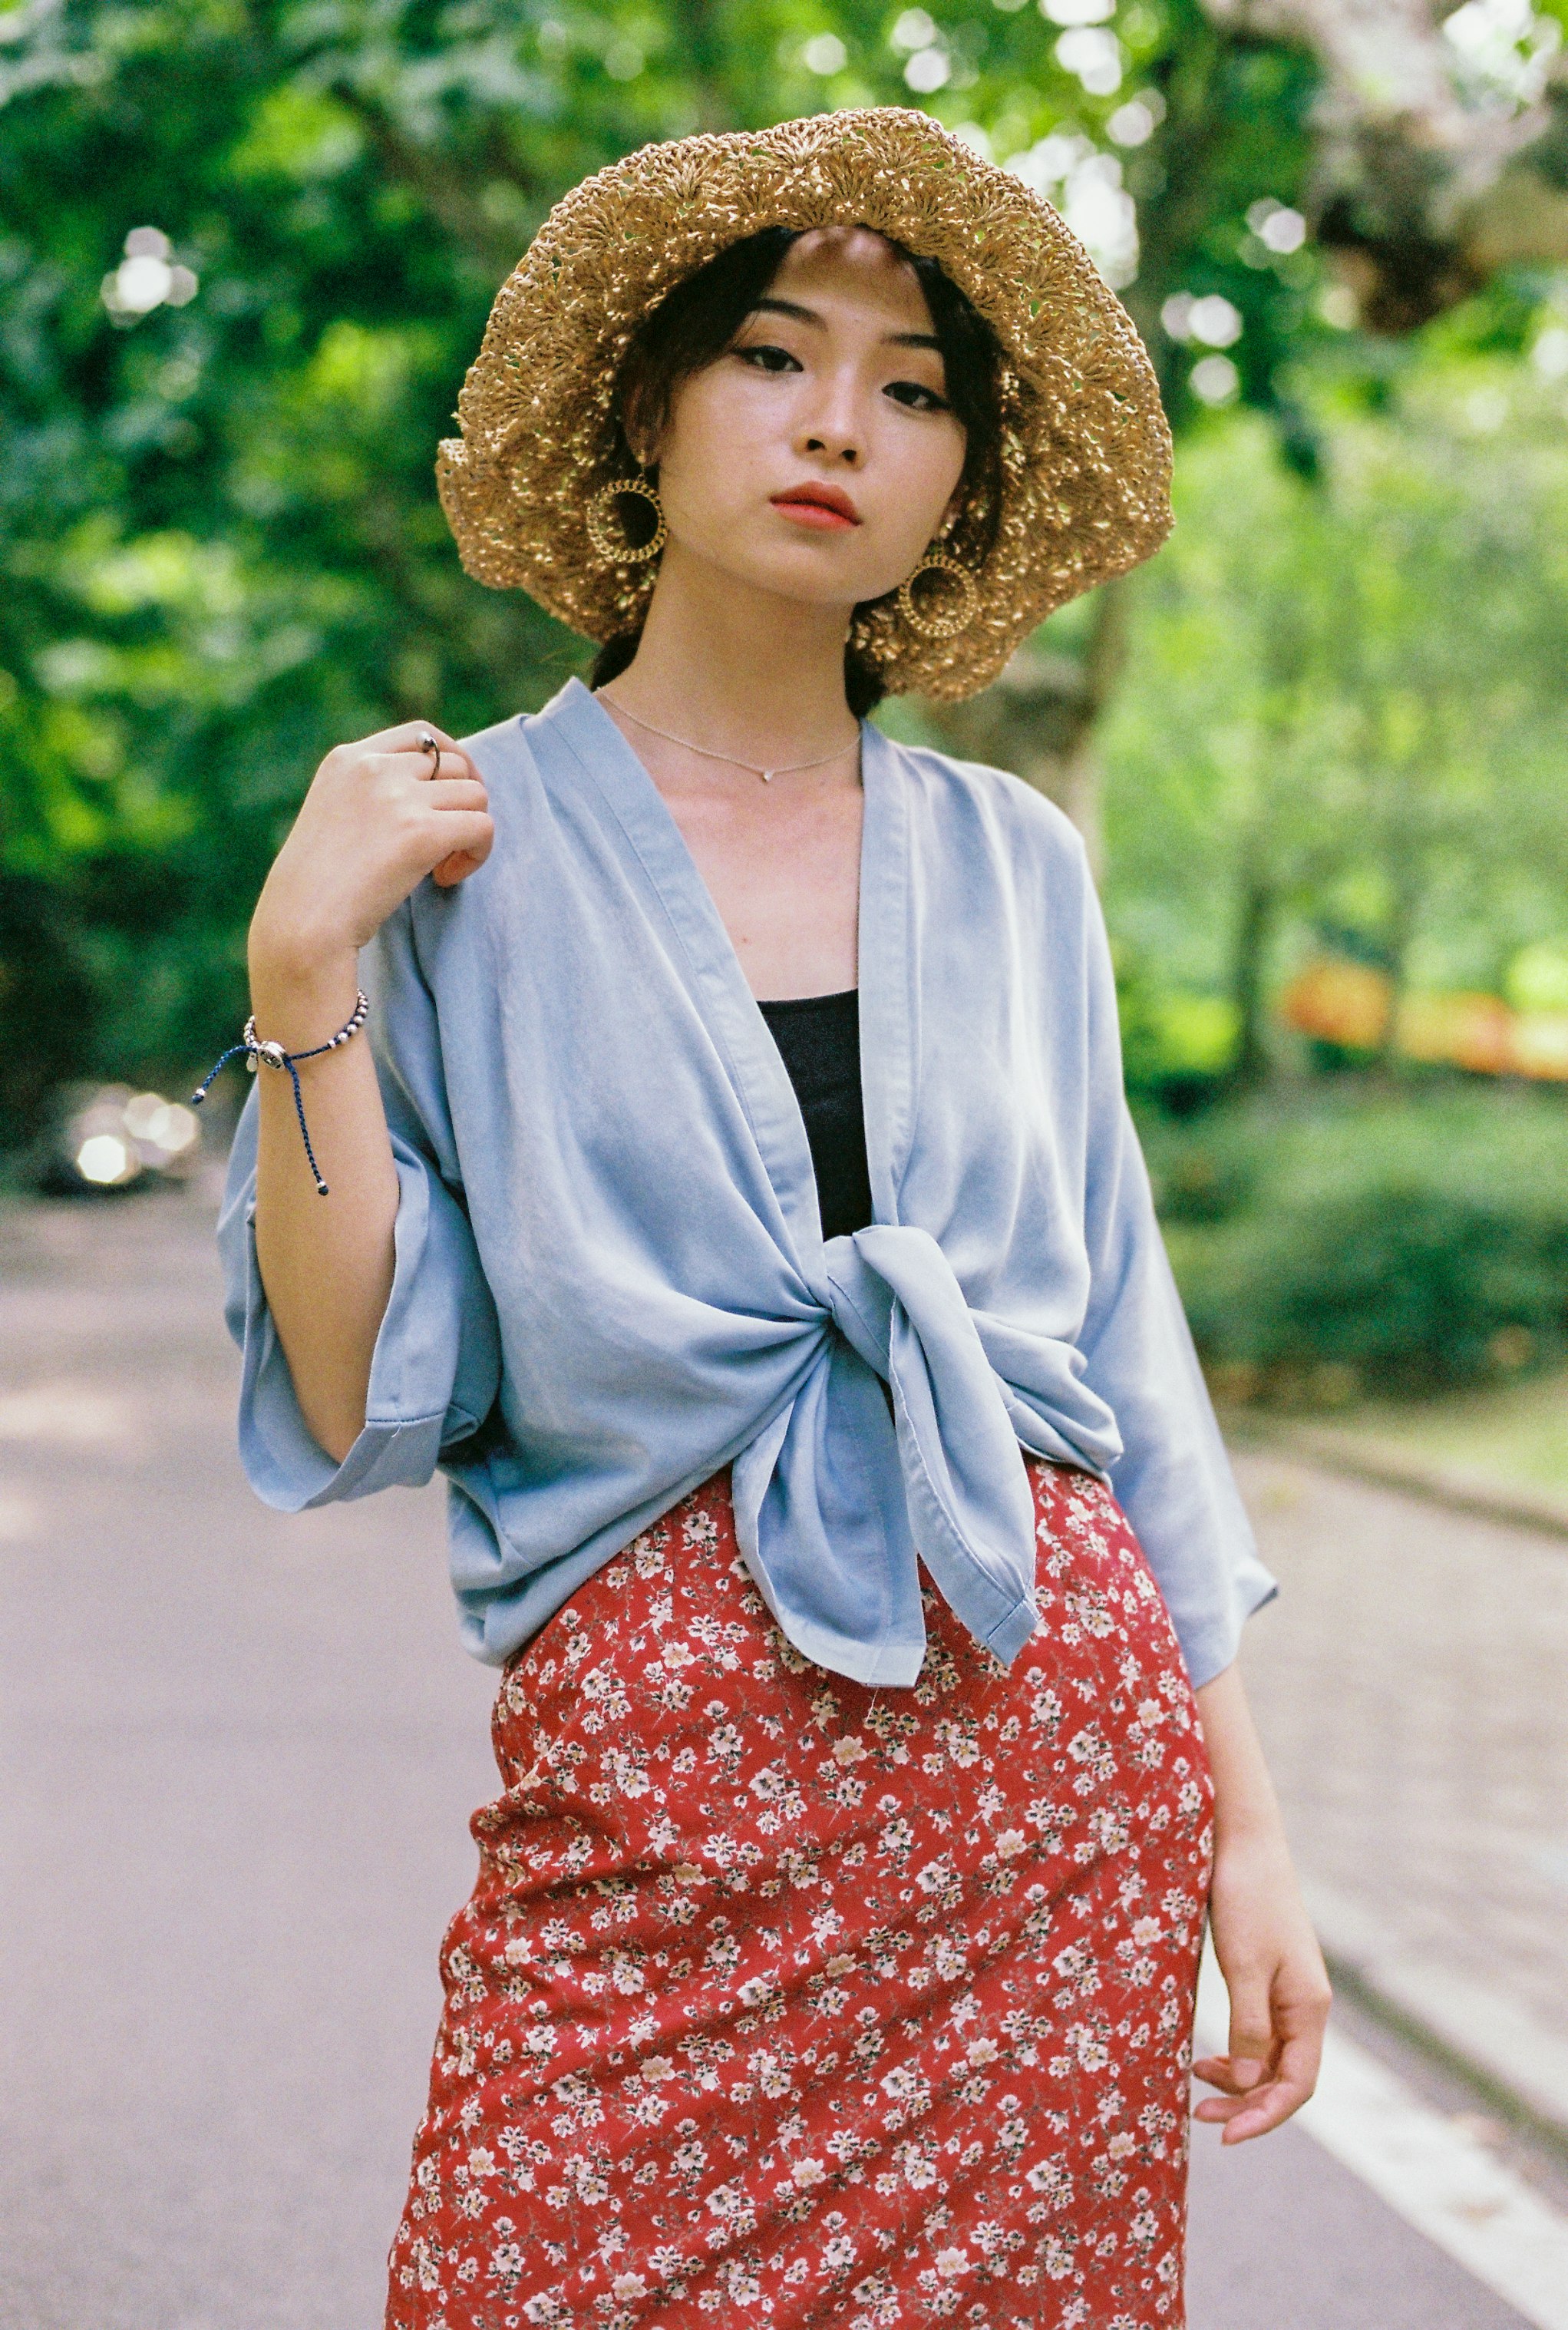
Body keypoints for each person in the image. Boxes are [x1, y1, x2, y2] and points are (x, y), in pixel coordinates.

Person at [215, 108, 1330, 2330]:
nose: (841, 422)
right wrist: (296, 982)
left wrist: (1252, 1833)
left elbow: (1123, 1354)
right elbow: (356, 1381)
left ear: (953, 480)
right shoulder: (447, 854)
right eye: (773, 354)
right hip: (656, 1827)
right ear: (650, 405)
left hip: (1048, 1795)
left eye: (913, 387)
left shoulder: (1016, 866)